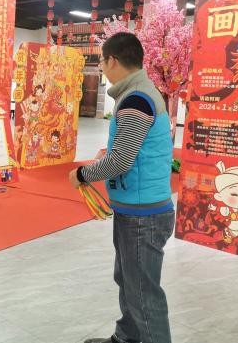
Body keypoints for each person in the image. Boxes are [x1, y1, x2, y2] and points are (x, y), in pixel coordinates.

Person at [68, 33, 174, 343]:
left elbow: (121, 160)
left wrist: (83, 174)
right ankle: (126, 337)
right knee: (129, 281)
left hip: (143, 214)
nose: (102, 67)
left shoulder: (136, 99)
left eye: (102, 61)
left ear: (113, 60)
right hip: (136, 208)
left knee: (143, 293)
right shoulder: (137, 93)